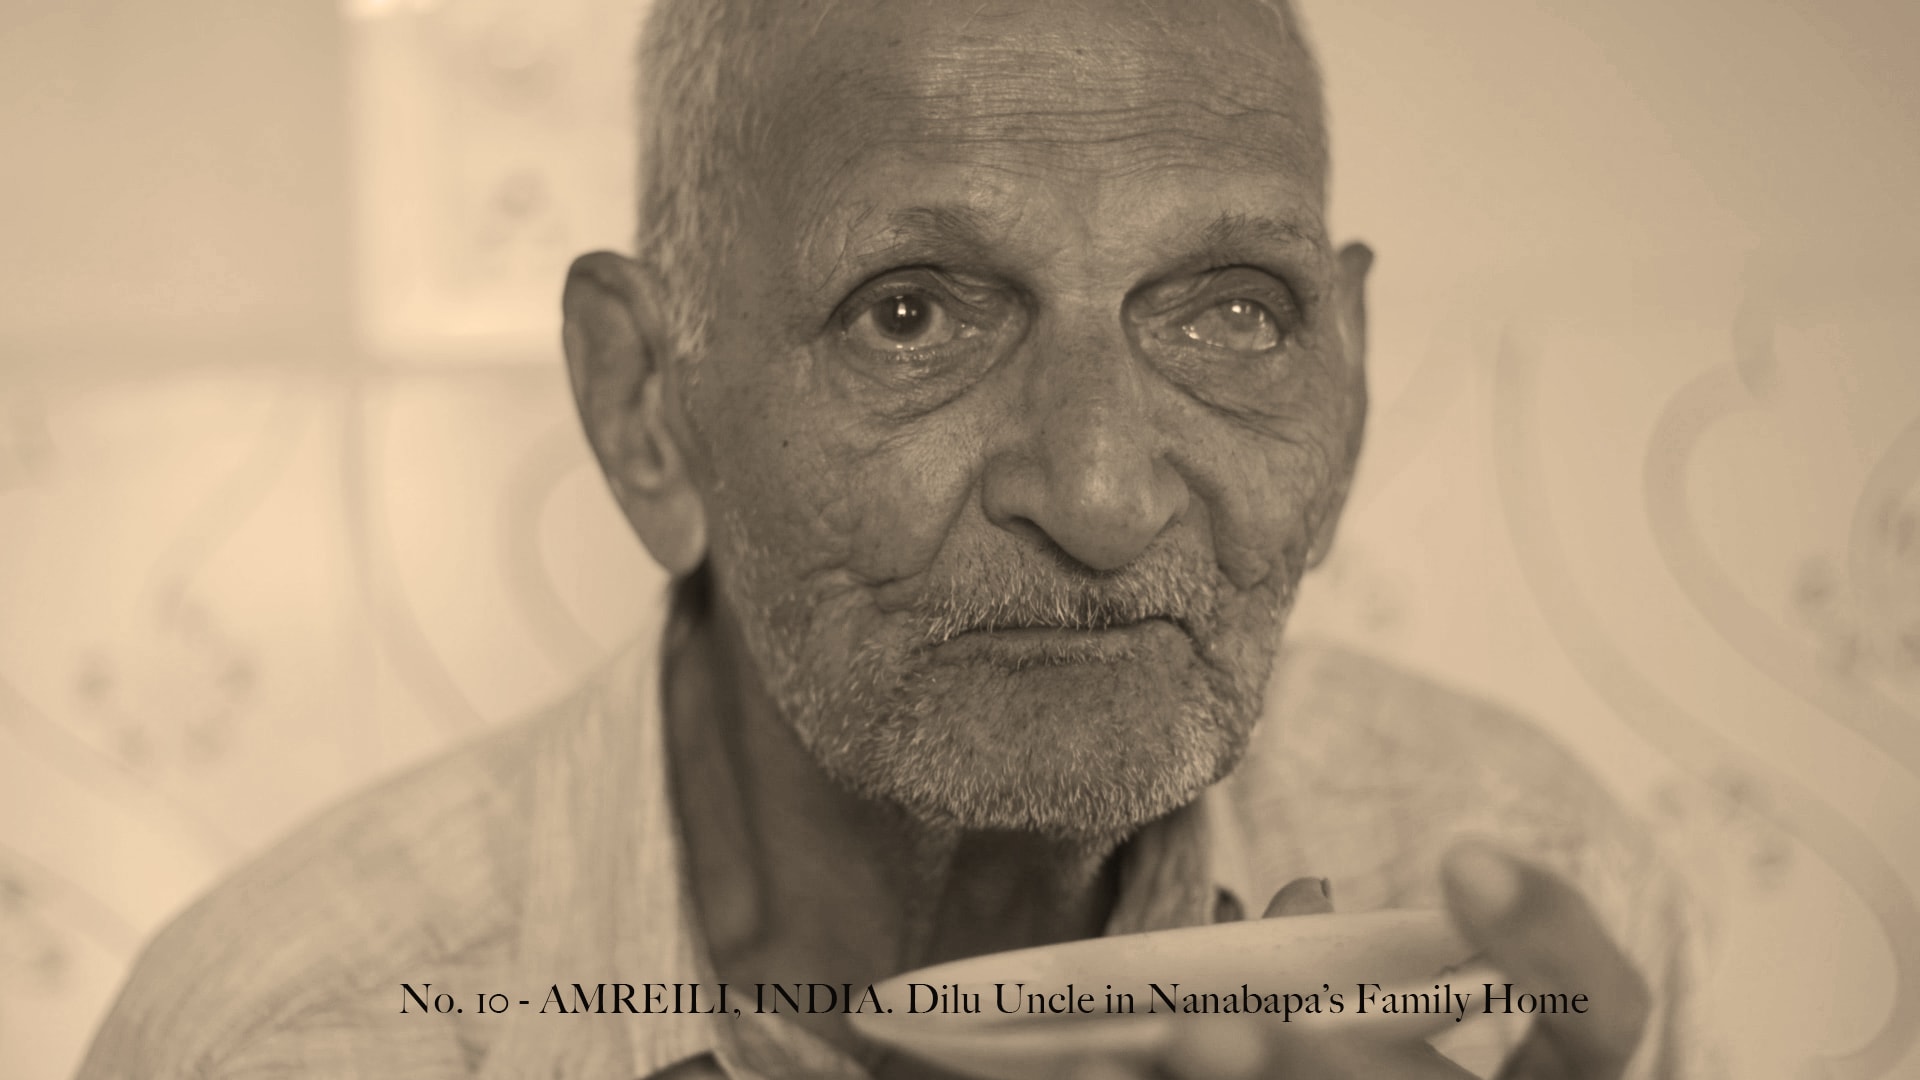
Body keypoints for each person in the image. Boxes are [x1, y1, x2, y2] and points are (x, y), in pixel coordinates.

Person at [76, 1, 1713, 1077]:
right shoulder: (303, 1034)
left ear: (1345, 386)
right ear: (648, 404)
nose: (1099, 493)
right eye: (914, 311)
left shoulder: (1525, 915)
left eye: (1230, 313)